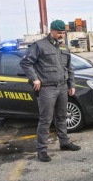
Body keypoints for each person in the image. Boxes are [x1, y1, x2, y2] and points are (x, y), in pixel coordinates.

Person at [20, 19, 81, 162]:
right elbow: (26, 62)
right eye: (59, 33)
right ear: (51, 31)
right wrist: (35, 78)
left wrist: (71, 84)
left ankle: (64, 142)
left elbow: (69, 68)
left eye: (63, 33)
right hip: (47, 88)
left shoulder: (64, 47)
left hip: (62, 87)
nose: (61, 35)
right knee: (45, 120)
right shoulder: (39, 45)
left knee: (61, 116)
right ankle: (42, 150)